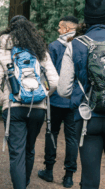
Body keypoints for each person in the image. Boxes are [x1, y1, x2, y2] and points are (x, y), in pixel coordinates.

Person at [0, 15, 59, 189]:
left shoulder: (2, 52)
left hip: (14, 109)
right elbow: (55, 81)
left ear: (9, 30)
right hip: (37, 108)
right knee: (29, 148)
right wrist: (43, 96)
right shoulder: (40, 51)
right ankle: (24, 184)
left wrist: (4, 100)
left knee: (16, 153)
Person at [57, 0, 105, 189]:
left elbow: (63, 89)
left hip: (88, 119)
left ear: (86, 18)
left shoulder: (75, 44)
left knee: (90, 178)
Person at [38, 16, 79, 188]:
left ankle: (49, 170)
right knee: (71, 138)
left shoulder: (53, 47)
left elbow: (46, 74)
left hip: (54, 100)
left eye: (60, 27)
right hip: (73, 100)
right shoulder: (80, 46)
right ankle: (68, 176)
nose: (58, 30)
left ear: (67, 29)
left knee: (51, 133)